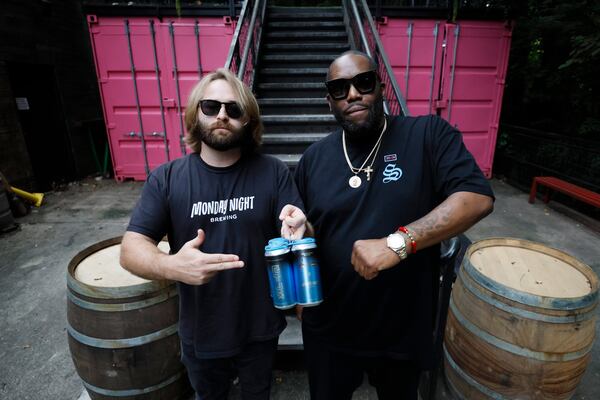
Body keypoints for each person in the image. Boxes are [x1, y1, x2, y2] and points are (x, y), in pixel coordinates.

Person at [294, 51, 494, 399]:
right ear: (330, 101)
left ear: (380, 87)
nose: (353, 94)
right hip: (330, 328)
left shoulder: (427, 135)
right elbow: (309, 231)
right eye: (340, 89)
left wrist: (398, 243)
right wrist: (299, 286)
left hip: (402, 327)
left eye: (363, 82)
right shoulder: (313, 158)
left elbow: (476, 197)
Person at [120, 68, 307, 400]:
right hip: (201, 331)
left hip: (259, 329)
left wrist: (299, 226)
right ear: (195, 114)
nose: (222, 115)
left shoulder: (273, 171)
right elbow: (131, 249)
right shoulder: (167, 178)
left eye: (234, 109)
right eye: (211, 107)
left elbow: (298, 223)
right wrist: (172, 266)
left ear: (248, 121)